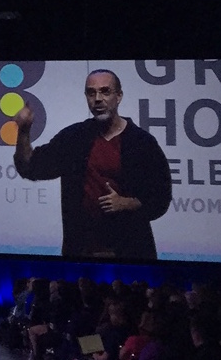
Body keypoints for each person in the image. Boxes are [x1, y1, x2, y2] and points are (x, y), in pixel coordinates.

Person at [13, 69, 172, 260]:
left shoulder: (141, 143)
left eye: (105, 91)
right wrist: (23, 131)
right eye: (91, 93)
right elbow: (30, 168)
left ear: (118, 96)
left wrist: (127, 203)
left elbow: (161, 197)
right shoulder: (74, 138)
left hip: (130, 253)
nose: (97, 99)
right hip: (81, 253)